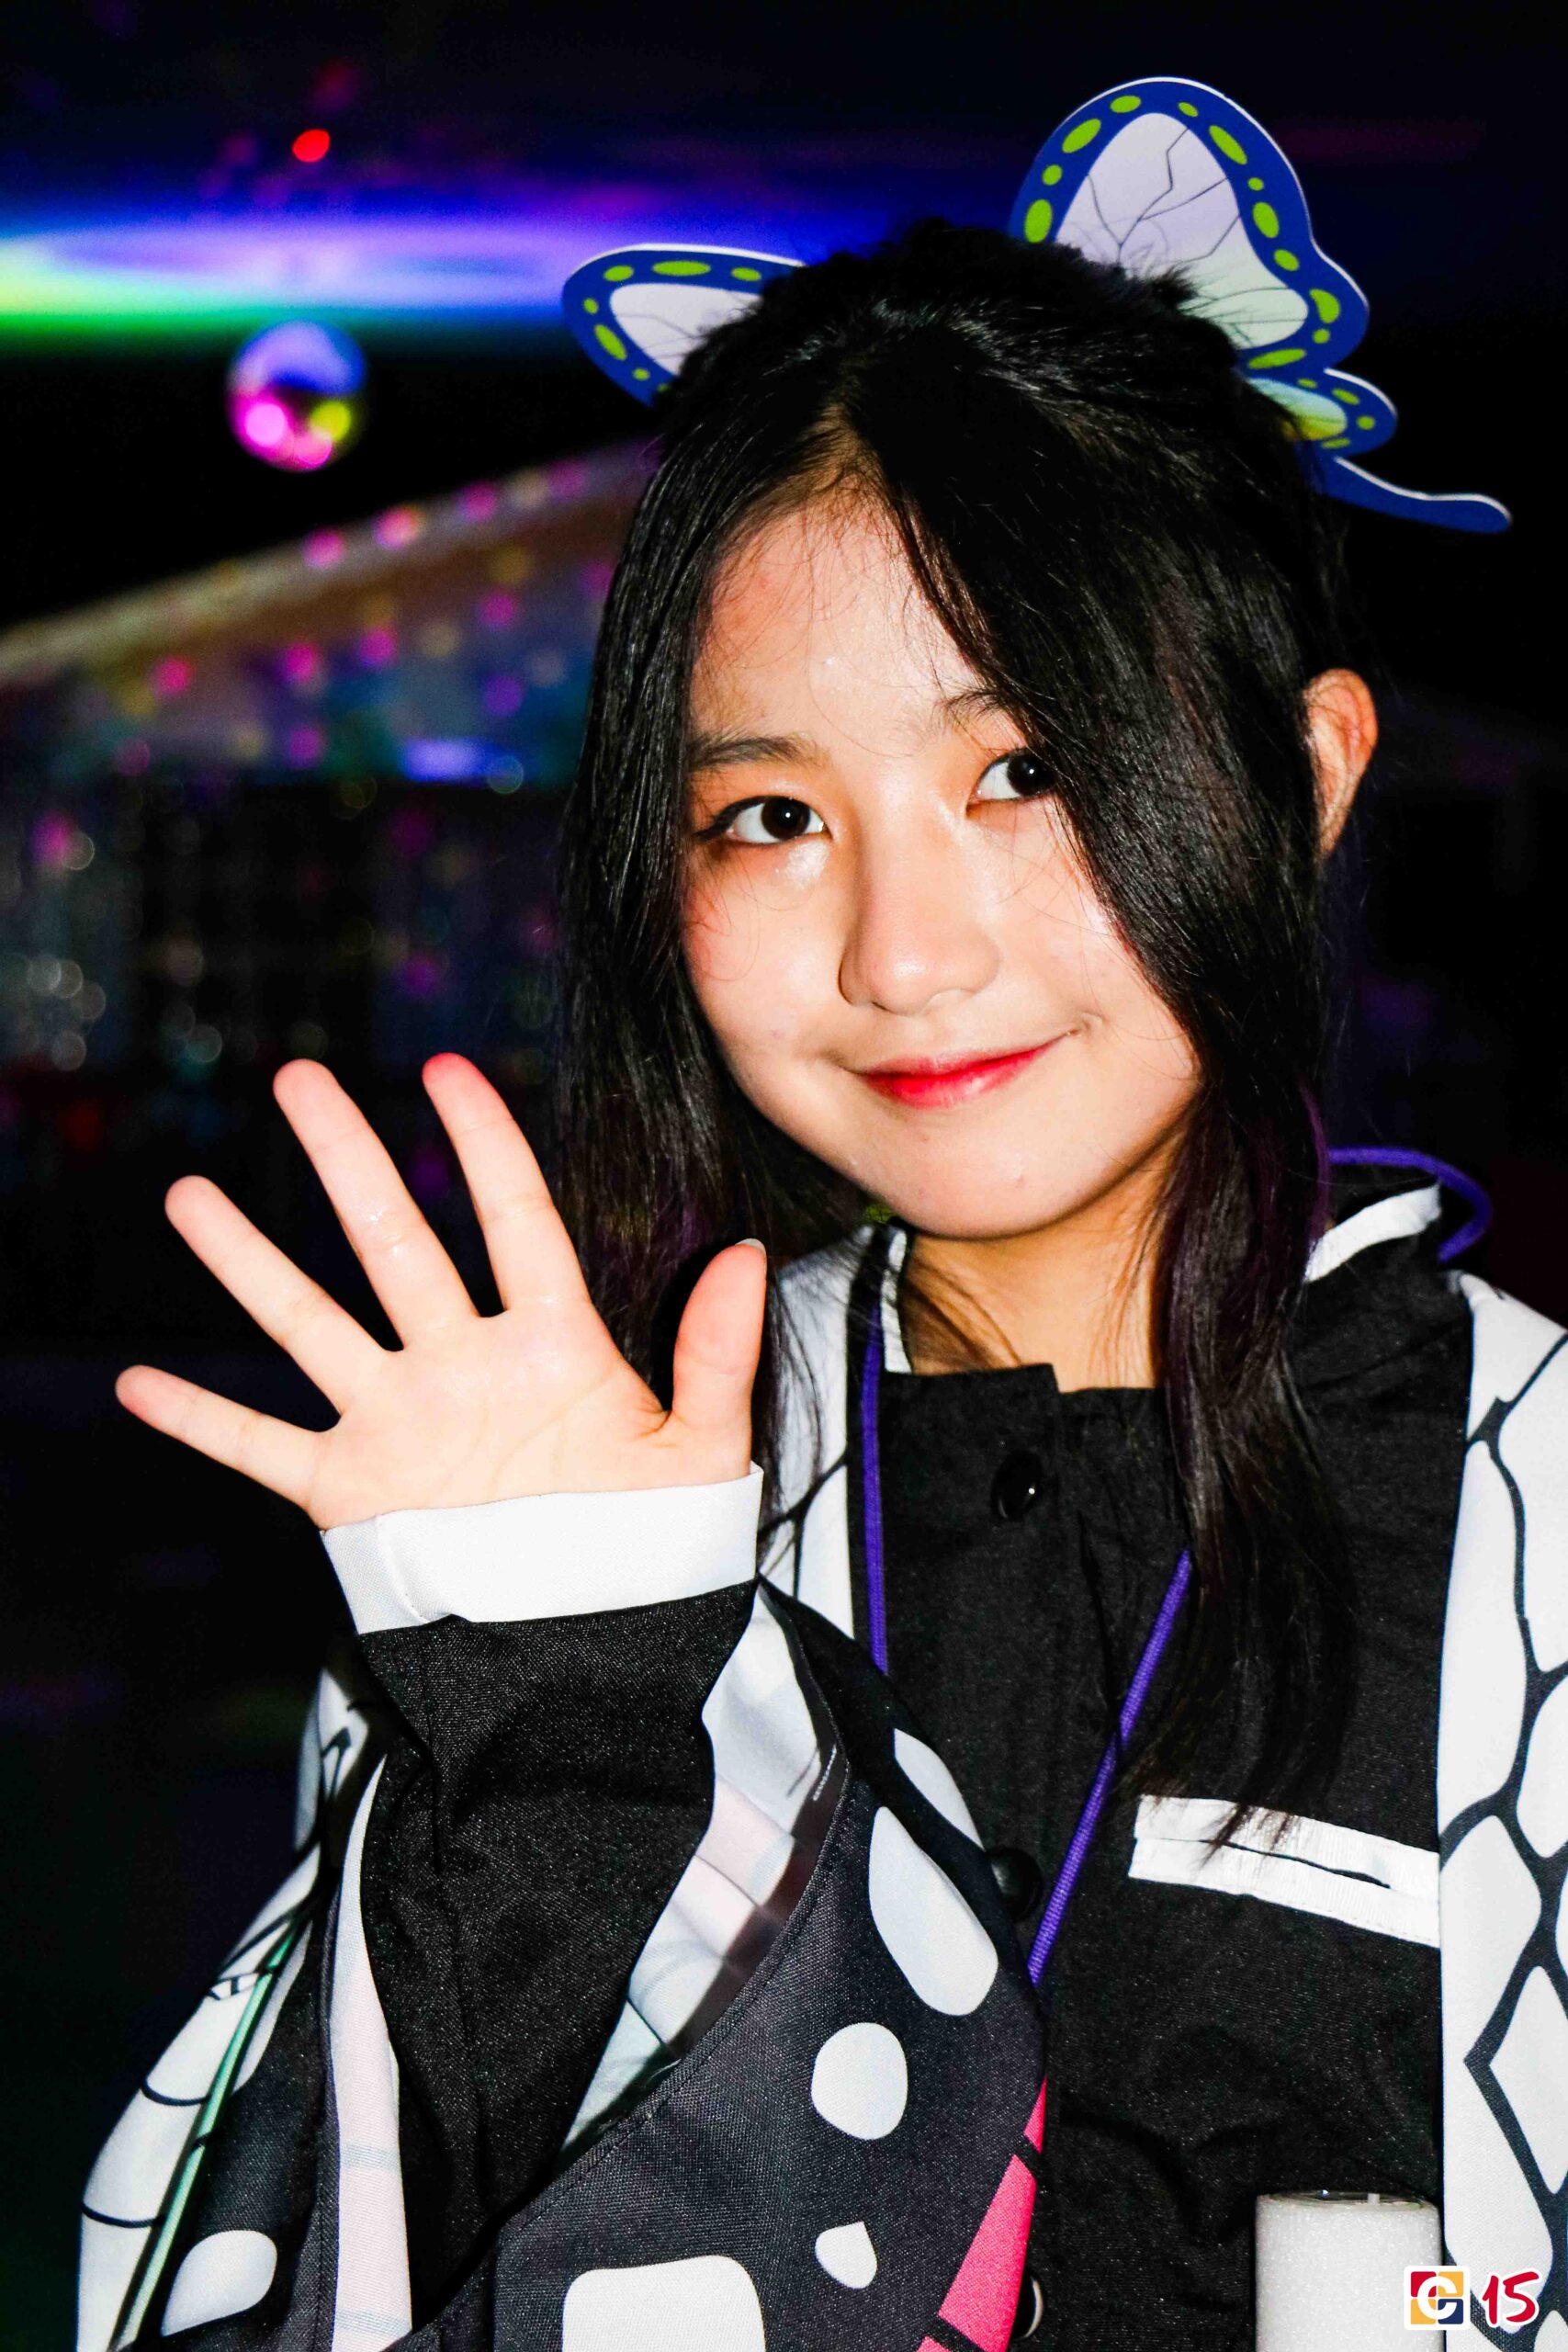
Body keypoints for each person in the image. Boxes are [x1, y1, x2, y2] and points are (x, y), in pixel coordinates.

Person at [81, 93, 1565, 2352]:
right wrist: (547, 1682)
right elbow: (373, 2242)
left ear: (1304, 774)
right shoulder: (592, 1492)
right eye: (769, 814)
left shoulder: (1528, 1491)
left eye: (1024, 768)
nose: (902, 952)